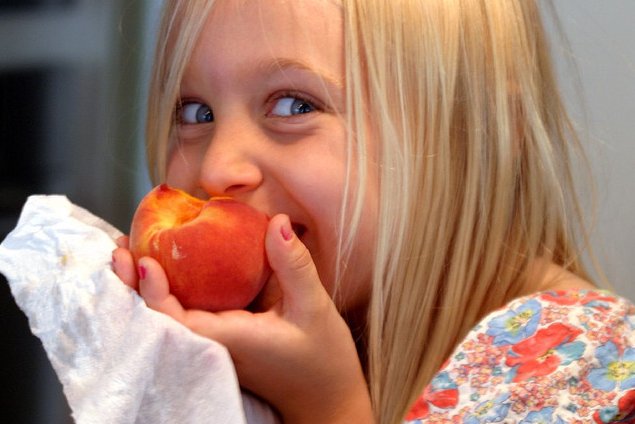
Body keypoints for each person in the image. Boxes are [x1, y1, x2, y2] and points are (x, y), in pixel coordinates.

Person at [112, 1, 635, 422]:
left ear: (478, 138)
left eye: (295, 105)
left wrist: (327, 408)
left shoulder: (584, 370)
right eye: (195, 112)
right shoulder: (249, 343)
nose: (217, 168)